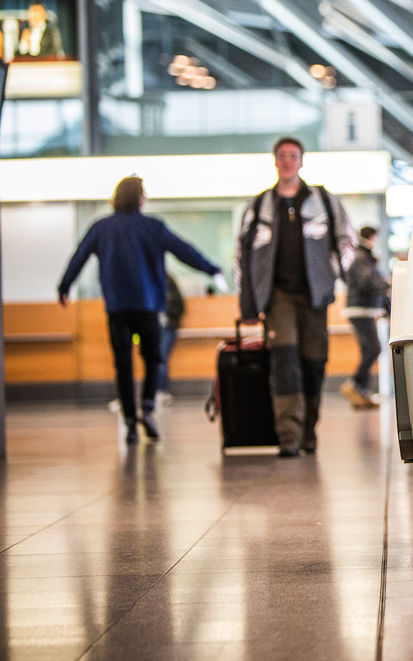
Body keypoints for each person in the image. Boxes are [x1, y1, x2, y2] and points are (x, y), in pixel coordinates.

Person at [58, 176, 223, 445]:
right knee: (154, 358)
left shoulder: (101, 227)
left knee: (122, 364)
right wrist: (211, 268)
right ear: (140, 198)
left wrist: (64, 286)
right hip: (148, 305)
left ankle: (130, 423)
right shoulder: (152, 227)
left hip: (117, 307)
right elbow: (183, 250)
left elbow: (79, 256)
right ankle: (147, 407)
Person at [236, 136, 356, 457]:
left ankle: (309, 432)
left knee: (314, 362)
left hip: (315, 297)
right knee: (285, 362)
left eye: (294, 156)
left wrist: (331, 273)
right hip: (277, 297)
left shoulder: (323, 200)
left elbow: (347, 240)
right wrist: (247, 303)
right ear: (275, 161)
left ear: (302, 161)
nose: (288, 161)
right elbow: (243, 256)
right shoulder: (260, 204)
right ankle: (289, 435)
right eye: (282, 156)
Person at [341, 226, 391, 409]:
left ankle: (361, 391)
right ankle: (354, 383)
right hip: (360, 309)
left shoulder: (361, 256)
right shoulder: (362, 257)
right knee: (373, 349)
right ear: (371, 237)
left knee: (368, 350)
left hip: (363, 309)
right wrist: (386, 283)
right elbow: (366, 282)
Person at [157, 274, 185, 402]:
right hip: (156, 327)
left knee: (162, 357)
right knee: (156, 358)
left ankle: (161, 390)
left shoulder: (172, 290)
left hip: (168, 327)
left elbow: (179, 308)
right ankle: (156, 390)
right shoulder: (153, 288)